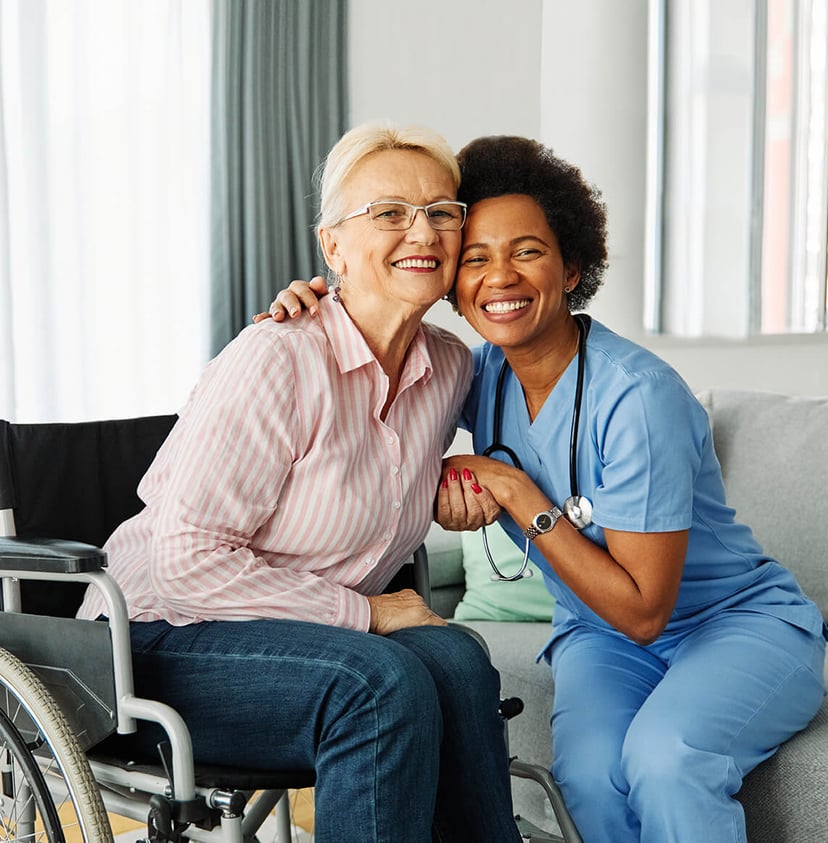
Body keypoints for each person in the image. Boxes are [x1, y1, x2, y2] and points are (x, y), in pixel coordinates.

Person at [264, 134, 828, 843]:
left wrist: (512, 488)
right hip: (599, 634)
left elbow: (645, 611)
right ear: (454, 285)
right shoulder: (469, 377)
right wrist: (316, 304)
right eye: (475, 257)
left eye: (527, 251)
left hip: (736, 627)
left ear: (572, 268)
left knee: (666, 759)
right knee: (590, 776)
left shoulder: (638, 397)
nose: (500, 276)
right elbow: (371, 383)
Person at [77, 122, 523, 843]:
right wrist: (367, 614)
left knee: (459, 659)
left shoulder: (449, 369)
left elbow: (388, 457)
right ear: (333, 247)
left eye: (443, 211)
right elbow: (186, 564)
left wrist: (446, 475)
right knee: (379, 682)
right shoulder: (278, 356)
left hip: (304, 639)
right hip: (152, 641)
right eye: (390, 213)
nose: (425, 230)